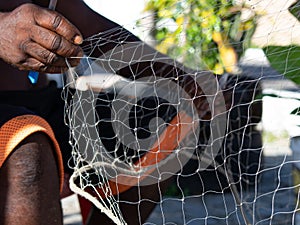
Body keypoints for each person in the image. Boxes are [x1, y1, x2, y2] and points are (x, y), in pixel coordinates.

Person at [0, 1, 213, 225]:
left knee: (167, 119)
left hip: (44, 103)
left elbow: (97, 31)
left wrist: (190, 83)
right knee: (25, 148)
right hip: (15, 120)